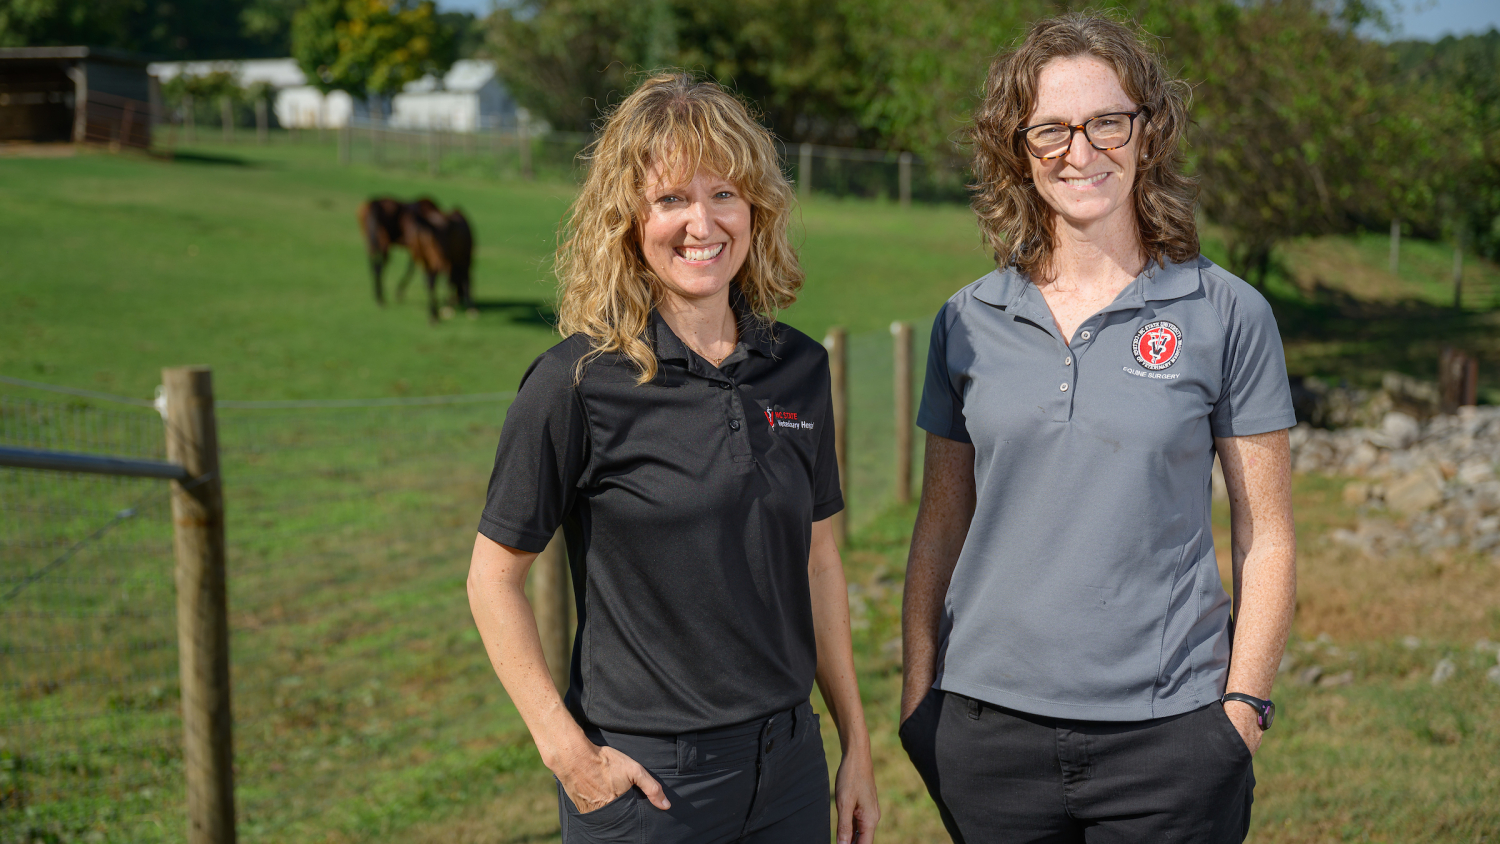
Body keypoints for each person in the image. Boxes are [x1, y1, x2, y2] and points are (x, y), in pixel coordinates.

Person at [899, 13, 1296, 843]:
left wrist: (1243, 709)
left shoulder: (1227, 313)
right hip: (987, 738)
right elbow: (941, 523)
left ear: (1147, 134)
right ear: (1020, 149)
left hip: (1172, 742)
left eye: (1106, 122)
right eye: (1051, 130)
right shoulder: (966, 322)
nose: (1081, 152)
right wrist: (918, 695)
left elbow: (1267, 535)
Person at [467, 73, 879, 844]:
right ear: (628, 221)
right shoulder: (577, 382)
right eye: (670, 200)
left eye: (724, 193)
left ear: (756, 208)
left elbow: (819, 562)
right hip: (653, 786)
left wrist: (854, 743)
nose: (702, 222)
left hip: (790, 766)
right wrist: (569, 756)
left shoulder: (799, 368)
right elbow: (493, 579)